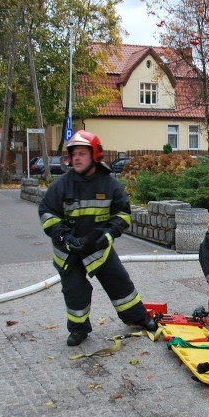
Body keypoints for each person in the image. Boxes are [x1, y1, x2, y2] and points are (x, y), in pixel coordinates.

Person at [38, 130, 158, 347]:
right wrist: (63, 235)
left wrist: (108, 235)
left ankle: (139, 318)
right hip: (68, 250)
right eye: (74, 154)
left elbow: (122, 214)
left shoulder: (109, 185)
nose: (76, 158)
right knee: (75, 291)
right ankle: (78, 329)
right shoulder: (61, 185)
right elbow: (47, 213)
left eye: (82, 153)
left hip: (97, 246)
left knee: (120, 283)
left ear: (95, 155)